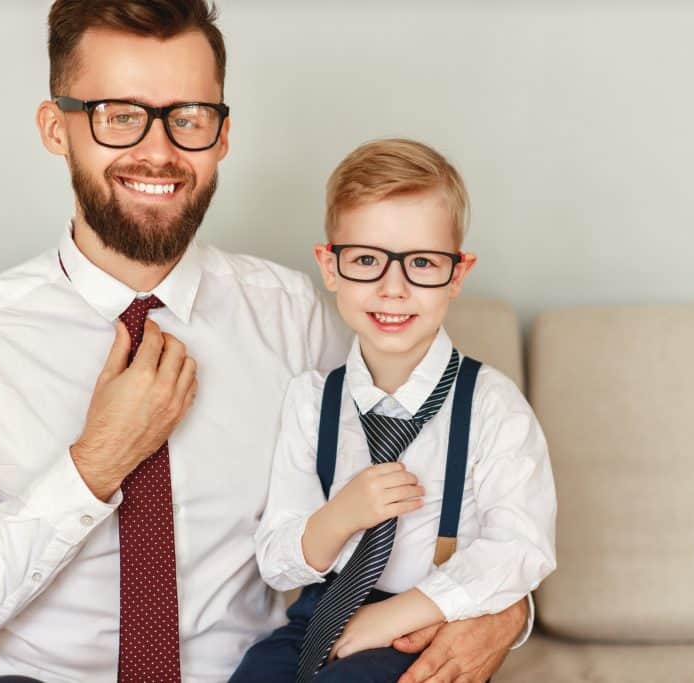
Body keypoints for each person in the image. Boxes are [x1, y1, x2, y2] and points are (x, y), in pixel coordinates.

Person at [0, 2, 532, 681]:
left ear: (221, 136)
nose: (158, 150)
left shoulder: (291, 315)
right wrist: (94, 464)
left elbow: (429, 482)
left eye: (188, 117)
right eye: (119, 115)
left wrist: (506, 609)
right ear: (56, 129)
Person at [231, 139, 557, 682]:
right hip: (317, 615)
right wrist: (340, 516)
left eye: (422, 263)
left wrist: (394, 617)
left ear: (457, 273)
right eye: (366, 260)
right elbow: (277, 555)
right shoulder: (312, 401)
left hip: (425, 622)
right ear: (329, 266)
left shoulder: (491, 406)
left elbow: (520, 550)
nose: (392, 288)